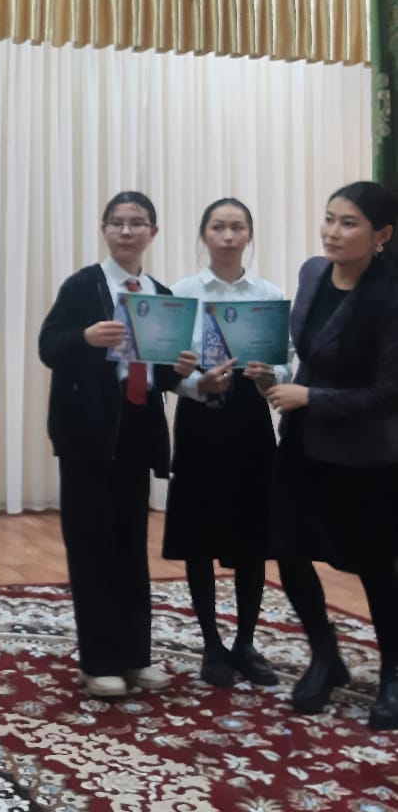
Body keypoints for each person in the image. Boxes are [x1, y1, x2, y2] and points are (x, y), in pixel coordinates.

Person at [38, 190, 195, 699]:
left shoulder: (159, 294)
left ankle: (135, 656)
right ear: (104, 229)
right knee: (91, 546)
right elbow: (48, 347)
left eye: (137, 222)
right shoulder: (83, 286)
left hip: (138, 429)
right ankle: (98, 661)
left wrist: (181, 369)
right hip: (87, 434)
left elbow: (162, 376)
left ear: (154, 232)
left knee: (130, 546)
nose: (127, 231)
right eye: (118, 222)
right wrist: (85, 338)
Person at [269, 181, 398, 731]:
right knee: (289, 550)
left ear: (382, 235)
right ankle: (326, 656)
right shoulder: (312, 274)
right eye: (329, 219)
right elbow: (307, 352)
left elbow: (388, 392)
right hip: (302, 443)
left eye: (348, 223)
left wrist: (311, 397)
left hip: (365, 455)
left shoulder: (390, 296)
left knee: (376, 567)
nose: (332, 232)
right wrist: (274, 378)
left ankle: (393, 672)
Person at [163, 198, 287, 687]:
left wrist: (270, 375)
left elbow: (288, 363)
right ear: (204, 235)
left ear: (250, 234)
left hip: (251, 423)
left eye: (237, 227)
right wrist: (198, 383)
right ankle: (212, 645)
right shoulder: (183, 293)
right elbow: (165, 369)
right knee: (199, 537)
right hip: (200, 420)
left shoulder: (268, 295)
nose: (229, 236)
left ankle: (245, 643)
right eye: (219, 227)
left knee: (253, 537)